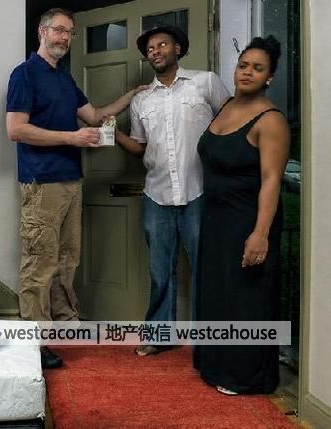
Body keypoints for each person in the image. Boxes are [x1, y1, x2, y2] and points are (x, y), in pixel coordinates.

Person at [6, 8, 141, 369]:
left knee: (66, 260)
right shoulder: (24, 74)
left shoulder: (64, 79)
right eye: (60, 30)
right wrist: (72, 137)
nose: (65, 38)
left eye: (70, 33)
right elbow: (16, 129)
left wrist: (131, 95)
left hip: (70, 181)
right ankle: (35, 344)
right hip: (41, 182)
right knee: (39, 263)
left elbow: (94, 116)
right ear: (43, 32)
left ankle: (65, 326)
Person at [115, 26, 230, 356]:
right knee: (160, 271)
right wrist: (110, 133)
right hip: (157, 195)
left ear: (177, 48)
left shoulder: (205, 82)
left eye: (162, 44)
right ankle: (160, 335)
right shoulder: (141, 100)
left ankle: (209, 341)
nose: (155, 50)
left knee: (206, 268)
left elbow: (232, 122)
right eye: (150, 48)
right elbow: (139, 147)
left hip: (200, 192)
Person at [194, 36, 289, 395]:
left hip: (248, 220)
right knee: (218, 293)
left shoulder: (271, 120)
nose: (247, 72)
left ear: (269, 77)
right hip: (216, 219)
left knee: (245, 298)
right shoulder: (227, 106)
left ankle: (245, 375)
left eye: (257, 68)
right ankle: (216, 364)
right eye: (243, 65)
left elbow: (271, 180)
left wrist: (260, 233)